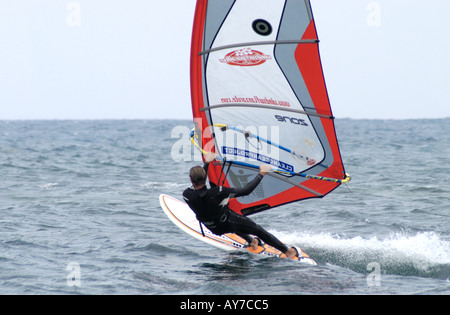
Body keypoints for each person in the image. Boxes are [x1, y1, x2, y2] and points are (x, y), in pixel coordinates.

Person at [182, 152, 299, 259]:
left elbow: (200, 186)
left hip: (212, 228)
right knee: (257, 229)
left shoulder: (187, 195)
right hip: (226, 223)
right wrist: (261, 174)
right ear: (204, 178)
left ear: (191, 180)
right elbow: (245, 191)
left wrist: (207, 163)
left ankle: (251, 240)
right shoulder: (218, 192)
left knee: (228, 215)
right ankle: (287, 251)